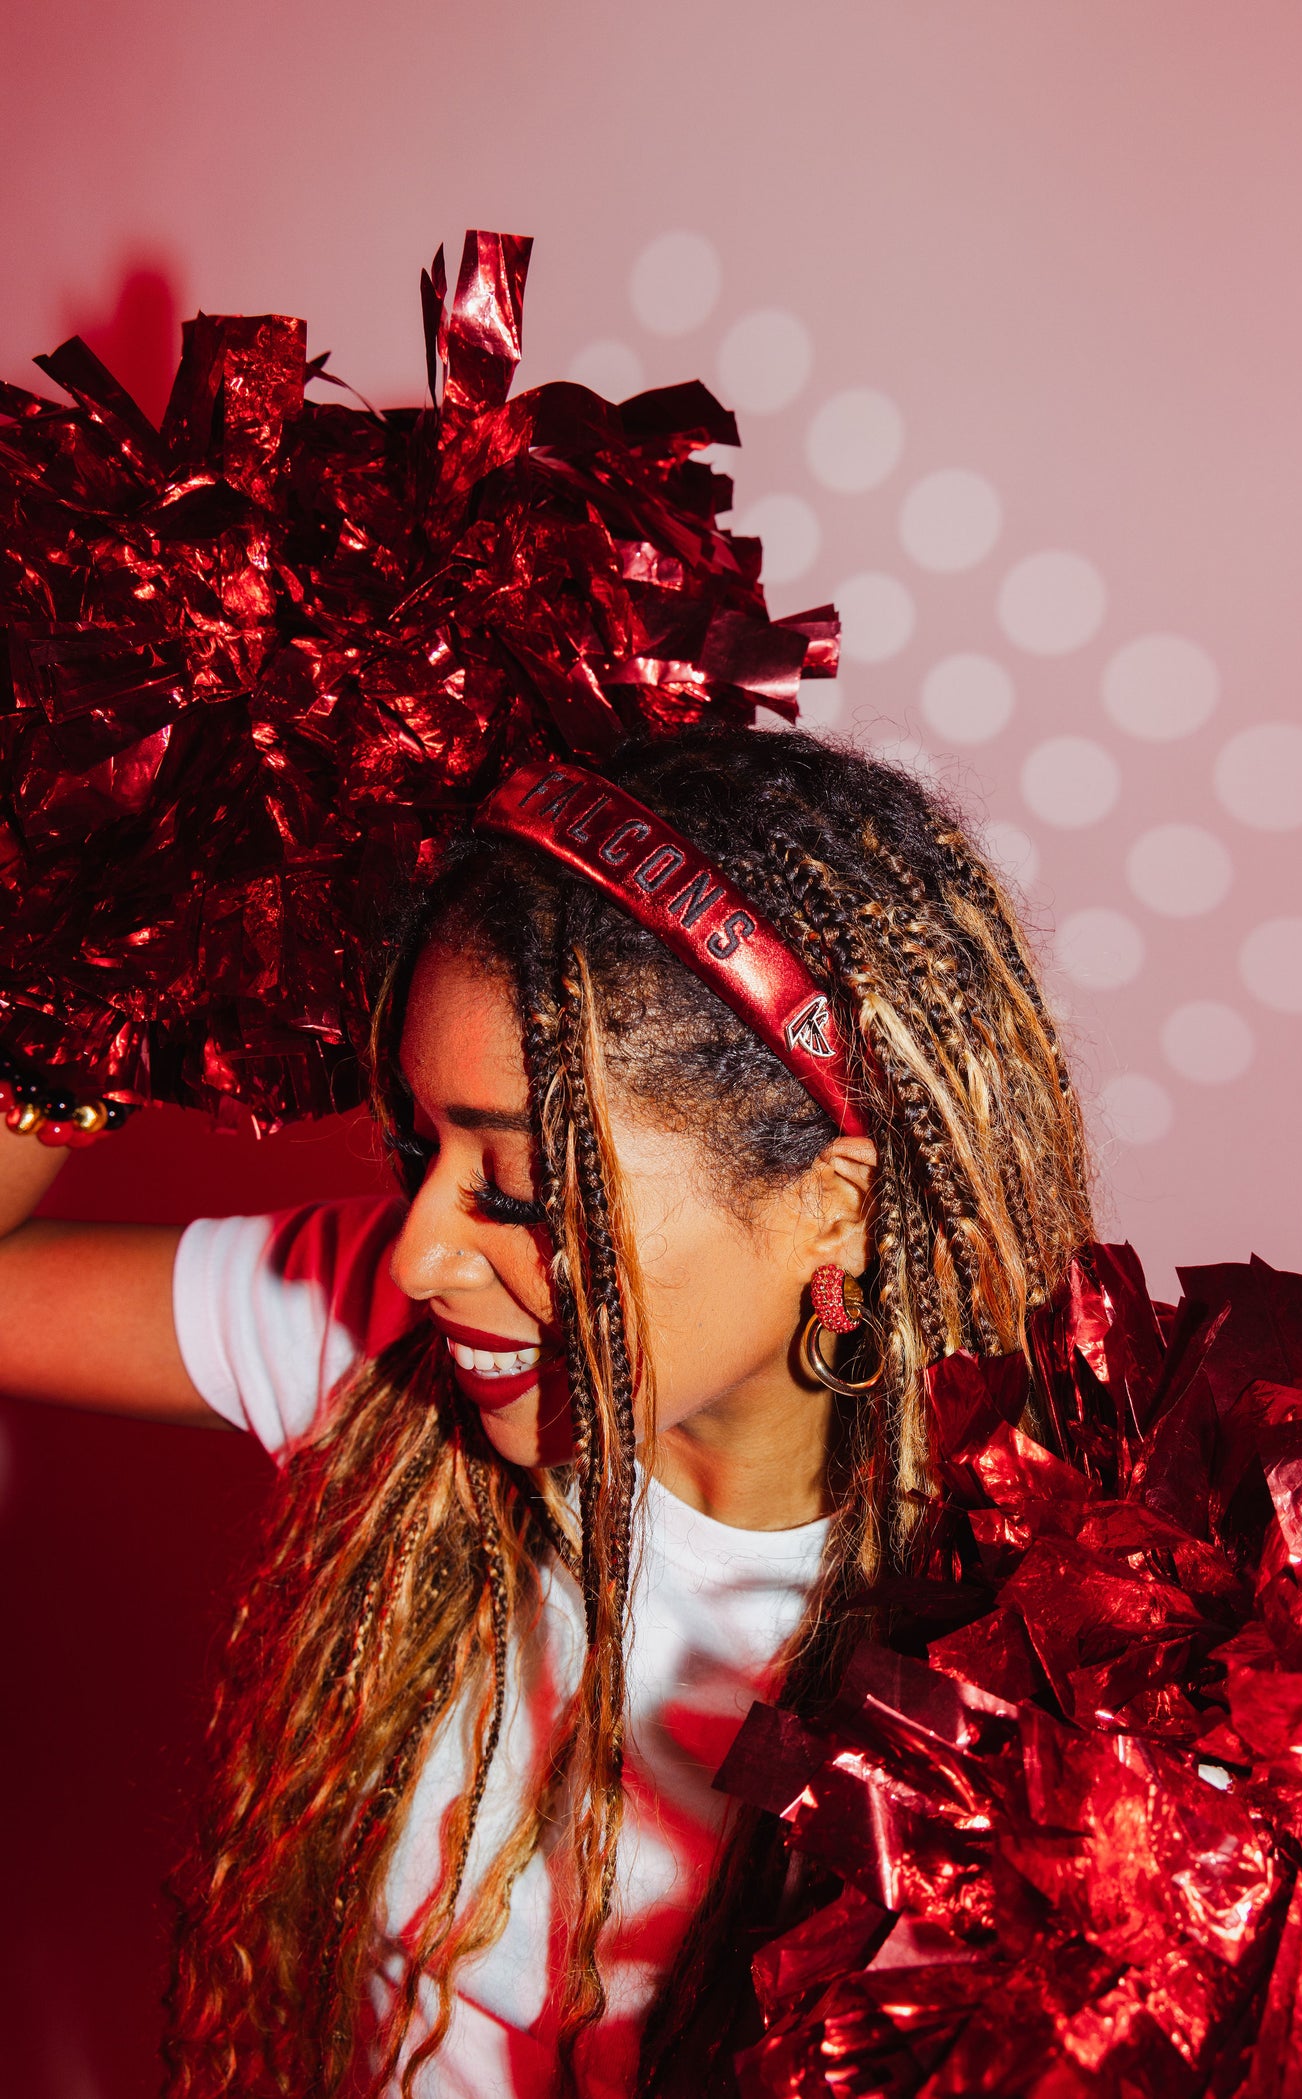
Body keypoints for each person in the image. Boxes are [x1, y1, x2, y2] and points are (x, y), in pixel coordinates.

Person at [0, 724, 1095, 2097]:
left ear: (837, 1208)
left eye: (517, 1189)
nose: (416, 1250)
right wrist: (131, 946)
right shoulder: (400, 1333)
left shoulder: (1035, 1664)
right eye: (420, 1147)